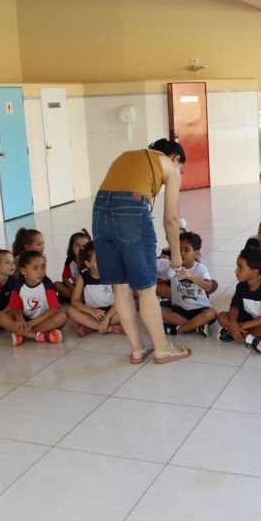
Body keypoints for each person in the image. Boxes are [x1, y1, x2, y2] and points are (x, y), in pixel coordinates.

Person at [93, 138, 191, 365]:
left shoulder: (128, 155)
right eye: (181, 167)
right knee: (147, 289)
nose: (179, 172)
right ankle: (163, 349)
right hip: (131, 210)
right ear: (175, 158)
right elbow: (171, 218)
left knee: (120, 287)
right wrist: (176, 255)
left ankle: (137, 349)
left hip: (99, 212)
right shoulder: (169, 166)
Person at [217, 246, 261, 354]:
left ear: (254, 272)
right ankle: (251, 339)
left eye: (240, 267)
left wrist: (241, 326)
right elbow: (234, 307)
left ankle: (234, 332)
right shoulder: (241, 285)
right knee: (221, 316)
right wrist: (234, 324)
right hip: (251, 317)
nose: (236, 271)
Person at [0, 250, 66, 345]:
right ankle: (39, 336)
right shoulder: (19, 285)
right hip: (26, 320)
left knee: (62, 317)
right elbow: (16, 307)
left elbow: (54, 308)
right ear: (23, 271)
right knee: (2, 318)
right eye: (35, 268)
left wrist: (32, 323)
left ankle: (24, 335)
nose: (40, 272)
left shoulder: (47, 284)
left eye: (43, 267)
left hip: (44, 320)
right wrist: (19, 318)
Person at [158, 231, 217, 337]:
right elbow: (154, 270)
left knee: (211, 313)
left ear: (196, 253)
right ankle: (195, 326)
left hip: (199, 308)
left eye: (186, 250)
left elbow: (209, 287)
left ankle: (179, 329)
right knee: (157, 310)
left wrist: (190, 276)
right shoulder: (172, 267)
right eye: (179, 250)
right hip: (179, 307)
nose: (182, 253)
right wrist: (159, 260)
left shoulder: (200, 268)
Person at [66, 241, 124, 337]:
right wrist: (91, 311)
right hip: (91, 312)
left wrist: (107, 317)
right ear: (88, 263)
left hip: (111, 312)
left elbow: (119, 299)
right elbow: (74, 301)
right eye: (98, 261)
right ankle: (110, 328)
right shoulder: (82, 276)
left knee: (126, 309)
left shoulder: (111, 274)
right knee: (70, 311)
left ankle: (91, 326)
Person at [54, 229, 91, 302]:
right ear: (72, 247)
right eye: (77, 245)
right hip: (76, 287)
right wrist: (73, 289)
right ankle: (79, 299)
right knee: (56, 284)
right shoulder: (70, 259)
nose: (81, 249)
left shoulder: (90, 260)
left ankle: (76, 299)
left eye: (84, 246)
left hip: (89, 288)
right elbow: (65, 278)